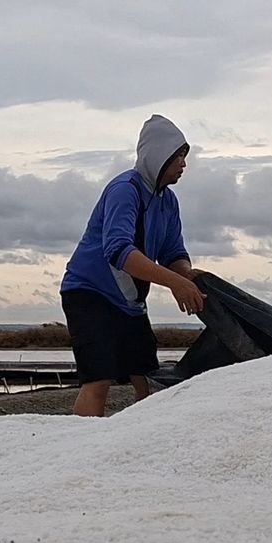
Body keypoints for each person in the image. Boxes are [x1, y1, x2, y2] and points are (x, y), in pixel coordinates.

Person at [59, 114, 205, 416]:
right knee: (99, 378)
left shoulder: (168, 201)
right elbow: (119, 251)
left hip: (130, 303)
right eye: (178, 156)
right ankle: (82, 440)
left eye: (184, 156)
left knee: (147, 377)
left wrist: (188, 276)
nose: (183, 164)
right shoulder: (125, 190)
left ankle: (143, 437)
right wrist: (175, 283)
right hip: (89, 292)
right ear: (158, 155)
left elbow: (173, 252)